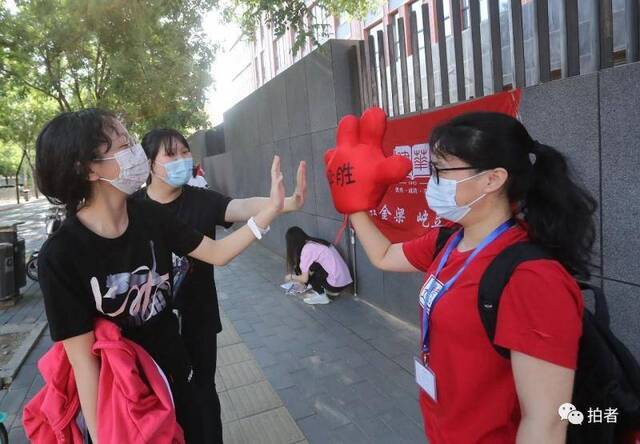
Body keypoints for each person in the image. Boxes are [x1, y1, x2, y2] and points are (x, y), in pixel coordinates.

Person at [34, 109, 294, 443]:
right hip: (128, 402)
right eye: (124, 144)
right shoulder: (61, 255)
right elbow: (85, 367)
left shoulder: (149, 215)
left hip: (175, 376)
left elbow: (217, 253)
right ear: (89, 168)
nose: (136, 153)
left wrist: (268, 213)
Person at [344, 112, 596, 443]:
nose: (432, 182)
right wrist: (351, 202)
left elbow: (545, 423)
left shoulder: (533, 278)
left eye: (442, 171)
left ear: (493, 179)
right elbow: (384, 256)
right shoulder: (449, 240)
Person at [134, 128, 306, 442]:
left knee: (202, 392)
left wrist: (286, 202)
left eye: (185, 152)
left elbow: (240, 206)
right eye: (171, 154)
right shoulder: (133, 209)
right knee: (161, 396)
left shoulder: (200, 200)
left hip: (198, 318)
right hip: (153, 327)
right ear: (149, 164)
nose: (182, 160)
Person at [284, 226, 352, 305]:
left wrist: (291, 276)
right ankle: (324, 291)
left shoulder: (306, 250)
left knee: (308, 272)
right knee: (314, 266)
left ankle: (321, 295)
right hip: (345, 280)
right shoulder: (315, 242)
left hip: (335, 285)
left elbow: (304, 278)